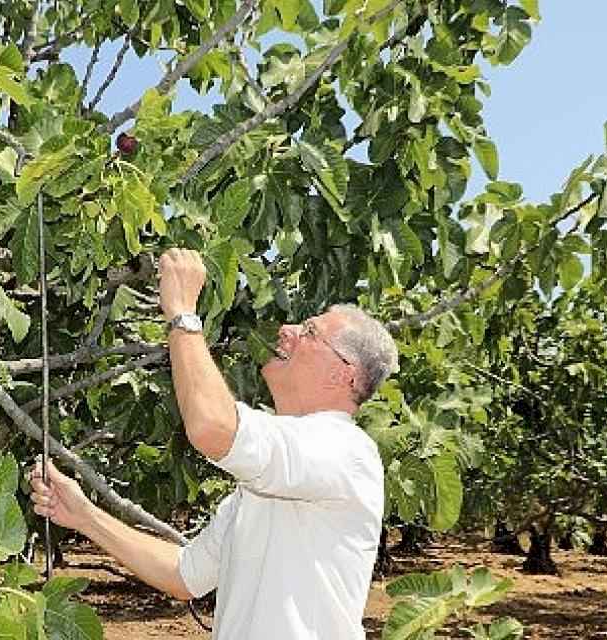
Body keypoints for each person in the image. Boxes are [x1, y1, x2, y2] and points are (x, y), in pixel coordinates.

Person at [28, 248, 398, 639]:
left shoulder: (344, 450)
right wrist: (84, 515)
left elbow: (212, 427)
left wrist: (183, 313)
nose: (285, 331)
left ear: (344, 375)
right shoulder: (268, 479)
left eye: (309, 331)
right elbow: (184, 575)